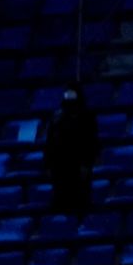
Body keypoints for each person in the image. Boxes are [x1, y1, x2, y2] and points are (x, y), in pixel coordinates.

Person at [44, 86, 98, 215]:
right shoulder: (56, 119)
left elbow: (91, 143)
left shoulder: (87, 118)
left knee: (80, 201)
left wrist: (86, 163)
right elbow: (50, 143)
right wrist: (48, 165)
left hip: (79, 166)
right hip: (60, 167)